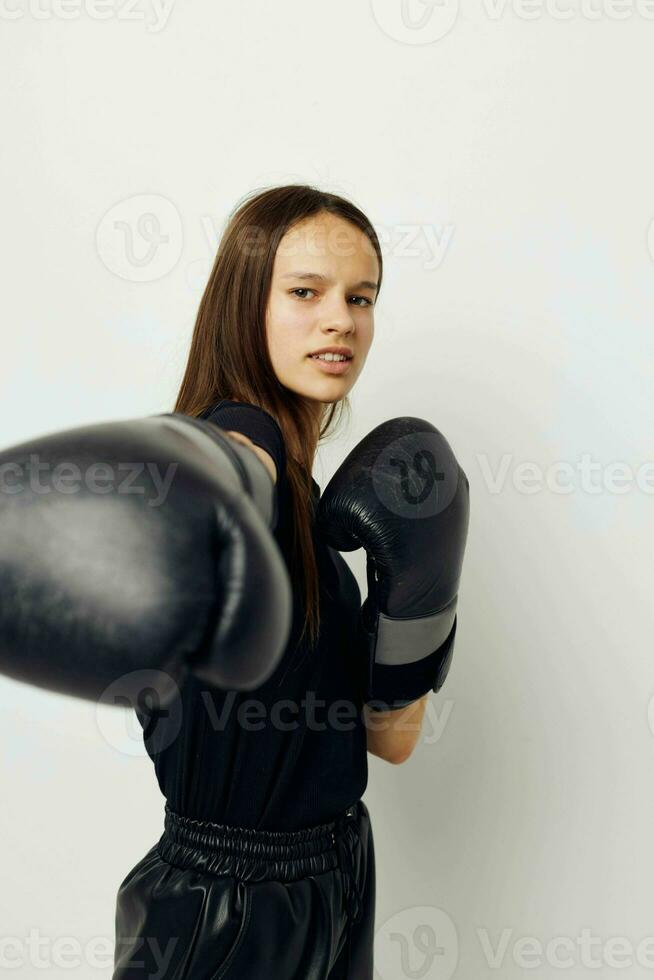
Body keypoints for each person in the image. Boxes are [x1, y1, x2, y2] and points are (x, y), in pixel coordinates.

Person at [110, 183, 469, 979]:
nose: (340, 318)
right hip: (228, 904)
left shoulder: (315, 507)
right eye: (304, 292)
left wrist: (421, 594)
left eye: (361, 296)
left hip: (336, 869)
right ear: (246, 305)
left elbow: (392, 742)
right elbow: (227, 477)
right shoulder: (245, 439)